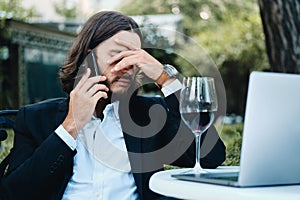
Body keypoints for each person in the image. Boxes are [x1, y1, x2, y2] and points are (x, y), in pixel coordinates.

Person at [0, 11, 225, 200]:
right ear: (90, 58)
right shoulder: (35, 118)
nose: (128, 65)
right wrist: (70, 127)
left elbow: (210, 156)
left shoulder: (149, 115)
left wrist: (165, 79)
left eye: (135, 57)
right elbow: (14, 193)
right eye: (117, 55)